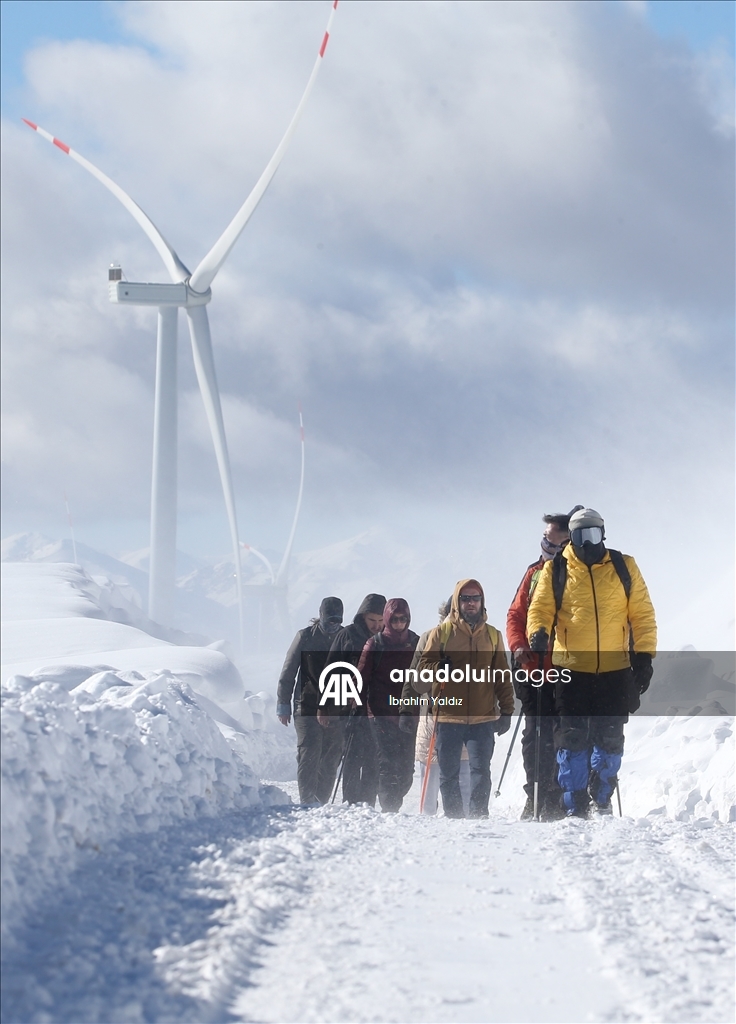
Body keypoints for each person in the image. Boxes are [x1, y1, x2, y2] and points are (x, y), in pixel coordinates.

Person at [526, 508, 657, 817]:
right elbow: (540, 608)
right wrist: (539, 632)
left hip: (614, 670)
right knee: (572, 739)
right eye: (581, 535)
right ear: (572, 537)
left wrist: (644, 657)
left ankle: (602, 792)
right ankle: (575, 803)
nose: (588, 541)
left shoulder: (624, 567)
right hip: (571, 668)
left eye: (594, 534)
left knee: (610, 738)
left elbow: (642, 614)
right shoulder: (557, 569)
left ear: (603, 533)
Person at [416, 579, 514, 819]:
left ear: (482, 602)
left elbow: (502, 675)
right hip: (449, 716)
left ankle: (479, 817)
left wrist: (507, 711)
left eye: (475, 598)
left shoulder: (493, 635)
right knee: (448, 773)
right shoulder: (442, 633)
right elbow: (420, 678)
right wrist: (439, 667)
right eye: (465, 598)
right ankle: (454, 818)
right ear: (457, 602)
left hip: (483, 717)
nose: (471, 603)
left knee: (481, 771)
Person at [506, 509, 581, 820]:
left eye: (554, 545)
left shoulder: (579, 577)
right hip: (532, 668)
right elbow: (515, 615)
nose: (546, 550)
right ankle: (536, 794)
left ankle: (560, 795)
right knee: (535, 735)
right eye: (545, 542)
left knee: (565, 734)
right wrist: (518, 645)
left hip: (568, 670)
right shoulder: (533, 572)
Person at [276, 596, 345, 805]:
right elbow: (289, 671)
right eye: (330, 619)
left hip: (335, 706)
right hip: (304, 705)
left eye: (338, 620)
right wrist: (283, 704)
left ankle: (321, 801)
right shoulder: (304, 637)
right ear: (321, 616)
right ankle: (307, 801)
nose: (333, 625)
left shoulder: (345, 638)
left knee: (331, 756)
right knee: (310, 751)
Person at [357, 598, 419, 812]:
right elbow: (361, 678)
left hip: (409, 714)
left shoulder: (416, 642)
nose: (399, 623)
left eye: (403, 619)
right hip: (380, 714)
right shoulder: (375, 644)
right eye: (395, 619)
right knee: (388, 763)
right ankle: (389, 808)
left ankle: (393, 800)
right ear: (387, 619)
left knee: (406, 770)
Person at [327, 593, 386, 805]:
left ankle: (368, 801)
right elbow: (334, 669)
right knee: (352, 755)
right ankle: (350, 800)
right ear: (363, 617)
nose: (377, 625)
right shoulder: (348, 636)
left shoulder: (387, 638)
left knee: (373, 756)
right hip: (350, 708)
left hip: (377, 708)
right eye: (372, 620)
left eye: (381, 621)